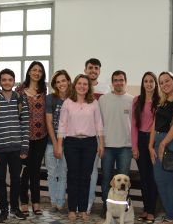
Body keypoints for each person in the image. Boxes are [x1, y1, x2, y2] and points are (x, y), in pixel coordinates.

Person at [57, 74, 104, 221]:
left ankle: (83, 210)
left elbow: (99, 124)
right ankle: (72, 209)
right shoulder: (68, 103)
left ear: (89, 87)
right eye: (80, 83)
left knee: (85, 177)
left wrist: (101, 143)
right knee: (72, 176)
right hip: (71, 143)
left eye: (85, 84)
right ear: (75, 85)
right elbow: (62, 125)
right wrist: (59, 145)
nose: (82, 86)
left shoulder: (94, 103)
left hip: (90, 143)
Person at [0, 68, 29, 222]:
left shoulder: (20, 99)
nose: (7, 82)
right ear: (0, 81)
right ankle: (3, 209)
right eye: (4, 80)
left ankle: (15, 208)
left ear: (14, 81)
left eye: (10, 80)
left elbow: (25, 125)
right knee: (1, 180)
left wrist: (25, 147)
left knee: (16, 179)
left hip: (17, 149)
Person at [148, 71, 173, 224]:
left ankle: (170, 217)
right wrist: (150, 146)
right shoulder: (161, 102)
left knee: (170, 180)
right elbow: (154, 126)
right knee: (159, 180)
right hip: (158, 140)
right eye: (161, 82)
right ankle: (169, 214)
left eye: (167, 81)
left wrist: (163, 144)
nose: (164, 84)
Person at [99, 70, 133, 218]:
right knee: (107, 178)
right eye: (116, 80)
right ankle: (106, 208)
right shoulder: (103, 100)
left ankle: (122, 209)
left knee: (124, 180)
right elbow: (98, 123)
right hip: (107, 146)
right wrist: (99, 144)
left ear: (125, 81)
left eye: (121, 80)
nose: (119, 82)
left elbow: (135, 125)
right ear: (112, 83)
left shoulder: (132, 100)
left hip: (125, 147)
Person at [17, 61, 48, 216]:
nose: (37, 73)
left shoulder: (44, 90)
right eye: (34, 70)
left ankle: (36, 203)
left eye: (40, 71)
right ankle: (23, 202)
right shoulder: (19, 90)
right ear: (29, 72)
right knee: (26, 171)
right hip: (23, 137)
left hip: (41, 137)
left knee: (35, 170)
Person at [131, 72, 159, 223]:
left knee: (153, 177)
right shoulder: (137, 100)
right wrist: (134, 147)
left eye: (151, 81)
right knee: (144, 177)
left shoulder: (160, 101)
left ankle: (152, 210)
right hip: (141, 140)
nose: (148, 84)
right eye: (146, 81)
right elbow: (134, 127)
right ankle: (146, 208)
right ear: (142, 84)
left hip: (154, 141)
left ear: (155, 84)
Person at [84, 58, 110, 214]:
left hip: (97, 135)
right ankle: (80, 201)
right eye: (90, 68)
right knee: (80, 171)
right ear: (85, 69)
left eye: (96, 68)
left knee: (92, 170)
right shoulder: (79, 86)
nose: (93, 70)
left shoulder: (105, 89)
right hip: (80, 135)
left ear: (99, 71)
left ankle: (89, 201)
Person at [45, 70, 71, 213]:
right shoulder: (50, 98)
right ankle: (53, 201)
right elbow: (49, 122)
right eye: (58, 82)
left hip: (69, 143)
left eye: (63, 80)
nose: (61, 84)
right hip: (51, 142)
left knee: (63, 173)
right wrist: (55, 144)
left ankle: (60, 202)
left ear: (68, 81)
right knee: (51, 173)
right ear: (55, 84)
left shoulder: (73, 99)